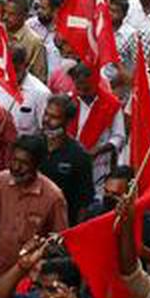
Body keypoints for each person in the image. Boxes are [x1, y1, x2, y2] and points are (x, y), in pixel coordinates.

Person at [0, 134, 67, 277]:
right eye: (13, 160)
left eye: (24, 163)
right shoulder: (1, 180)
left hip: (28, 278)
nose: (16, 167)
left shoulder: (54, 196)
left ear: (37, 164)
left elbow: (60, 243)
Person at [39, 95, 95, 224]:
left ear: (67, 121)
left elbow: (84, 201)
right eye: (46, 114)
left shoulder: (79, 155)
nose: (47, 120)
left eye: (54, 117)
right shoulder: (34, 144)